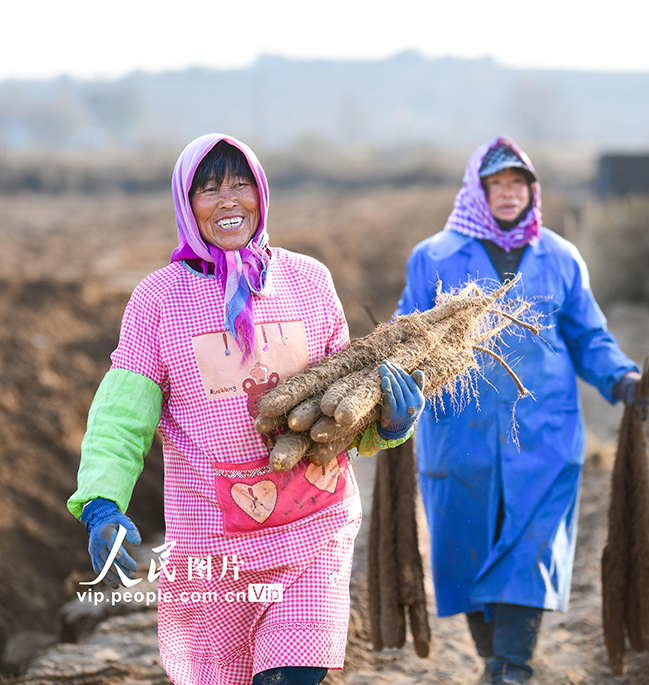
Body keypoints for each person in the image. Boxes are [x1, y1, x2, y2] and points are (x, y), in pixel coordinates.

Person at [67, 133, 425, 685]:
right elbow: (121, 417)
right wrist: (101, 502)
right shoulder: (158, 300)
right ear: (187, 207)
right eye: (208, 189)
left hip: (315, 525)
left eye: (241, 183)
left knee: (290, 676)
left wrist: (390, 424)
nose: (228, 200)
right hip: (216, 548)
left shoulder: (308, 282)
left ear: (261, 193)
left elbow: (342, 408)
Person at [395, 137, 647, 684]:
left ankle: (513, 666)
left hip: (544, 435)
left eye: (518, 185)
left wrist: (622, 376)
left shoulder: (559, 257)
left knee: (530, 552)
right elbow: (403, 340)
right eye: (497, 185)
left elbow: (588, 335)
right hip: (459, 434)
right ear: (478, 192)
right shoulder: (434, 257)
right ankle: (496, 662)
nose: (508, 195)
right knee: (465, 552)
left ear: (533, 192)